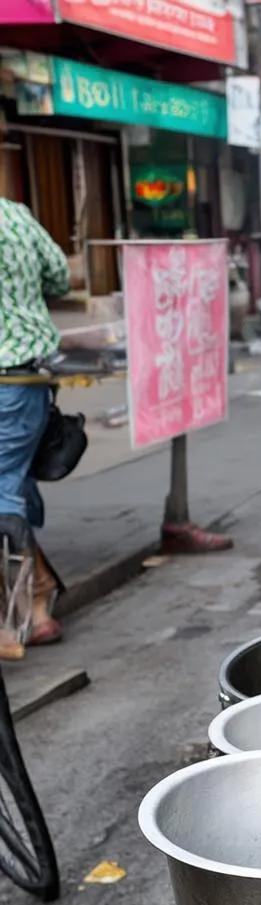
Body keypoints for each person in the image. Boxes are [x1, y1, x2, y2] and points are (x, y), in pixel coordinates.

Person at [0, 198, 70, 659]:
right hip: (24, 376)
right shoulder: (15, 214)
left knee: (5, 492)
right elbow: (59, 276)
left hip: (10, 377)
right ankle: (38, 597)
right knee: (13, 486)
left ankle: (21, 617)